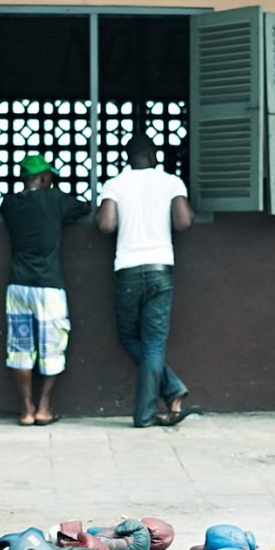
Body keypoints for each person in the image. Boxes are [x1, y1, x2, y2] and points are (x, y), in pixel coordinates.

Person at [95, 134, 195, 428]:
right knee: (154, 343)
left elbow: (106, 225)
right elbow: (184, 222)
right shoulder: (170, 182)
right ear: (153, 156)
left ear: (129, 158)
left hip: (127, 268)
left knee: (129, 337)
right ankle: (167, 394)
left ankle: (155, 405)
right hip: (160, 268)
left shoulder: (115, 184)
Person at [0, 153, 90, 426]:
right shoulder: (56, 199)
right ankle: (43, 407)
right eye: (50, 176)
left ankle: (26, 410)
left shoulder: (10, 203)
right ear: (43, 177)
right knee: (53, 348)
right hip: (49, 289)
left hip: (18, 288)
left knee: (20, 349)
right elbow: (84, 208)